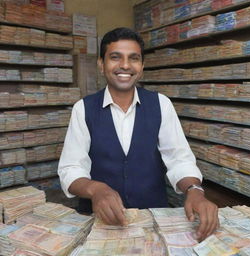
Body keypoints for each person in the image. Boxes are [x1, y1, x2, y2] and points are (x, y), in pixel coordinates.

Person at [58, 27, 219, 241]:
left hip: (153, 219)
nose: (125, 65)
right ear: (101, 64)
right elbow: (71, 167)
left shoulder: (161, 104)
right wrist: (95, 189)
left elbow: (179, 159)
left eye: (133, 58)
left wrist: (194, 189)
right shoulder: (83, 108)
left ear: (141, 66)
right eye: (115, 57)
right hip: (100, 222)